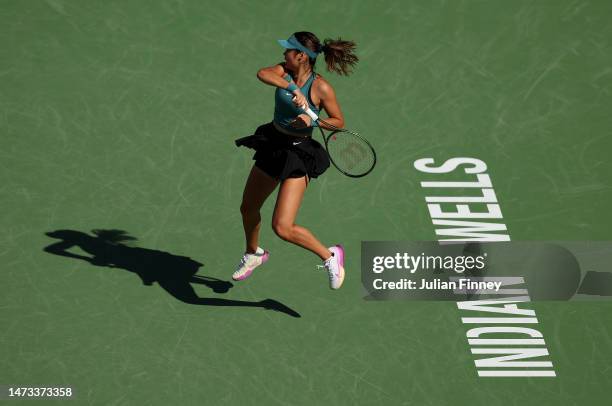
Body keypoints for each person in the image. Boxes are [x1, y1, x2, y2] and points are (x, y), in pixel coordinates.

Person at [233, 31, 358, 289]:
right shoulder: (283, 71)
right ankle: (253, 253)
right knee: (248, 208)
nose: (283, 54)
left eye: (288, 50)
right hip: (273, 145)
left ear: (301, 56)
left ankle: (330, 256)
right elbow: (262, 74)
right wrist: (292, 88)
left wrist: (311, 118)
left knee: (282, 227)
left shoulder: (321, 87)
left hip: (297, 154)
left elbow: (338, 121)